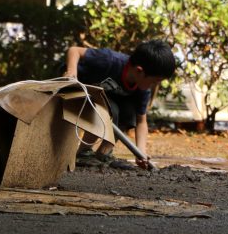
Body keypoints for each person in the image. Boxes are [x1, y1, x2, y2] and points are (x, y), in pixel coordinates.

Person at [63, 39, 176, 169]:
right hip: (78, 92)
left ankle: (103, 154)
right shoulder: (109, 60)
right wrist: (71, 72)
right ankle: (84, 152)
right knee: (110, 109)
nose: (154, 85)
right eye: (154, 81)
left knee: (129, 113)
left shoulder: (142, 90)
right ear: (139, 71)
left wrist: (140, 151)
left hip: (104, 97)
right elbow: (74, 50)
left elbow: (141, 121)